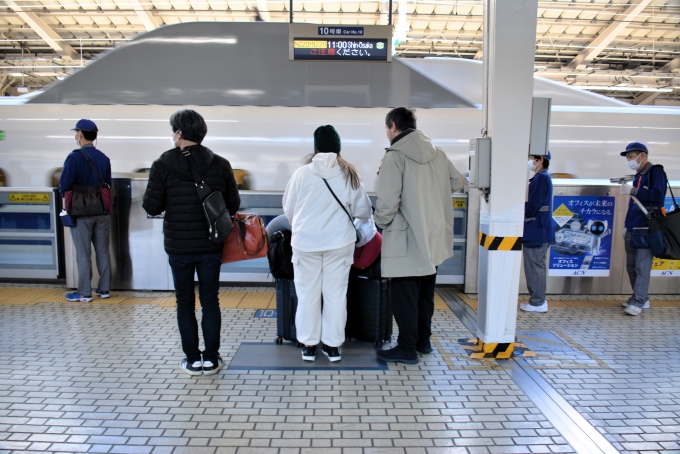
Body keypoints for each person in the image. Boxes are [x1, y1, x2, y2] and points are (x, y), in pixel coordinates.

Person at [143, 109, 240, 375]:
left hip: (179, 247)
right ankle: (211, 359)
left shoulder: (162, 164)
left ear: (178, 133)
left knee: (184, 302)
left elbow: (151, 205)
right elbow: (233, 204)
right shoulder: (220, 163)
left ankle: (192, 359)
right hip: (211, 244)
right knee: (210, 300)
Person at [374, 107, 464, 364]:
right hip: (433, 237)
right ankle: (423, 342)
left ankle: (405, 349)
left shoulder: (395, 156)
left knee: (404, 297)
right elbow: (457, 182)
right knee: (425, 294)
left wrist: (380, 223)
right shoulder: (437, 153)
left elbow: (388, 201)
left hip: (406, 239)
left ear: (393, 126)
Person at [283, 125, 372, 362]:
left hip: (305, 245)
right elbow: (363, 211)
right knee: (335, 294)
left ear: (316, 148)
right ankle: (332, 347)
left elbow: (289, 210)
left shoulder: (301, 174)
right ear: (338, 148)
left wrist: (305, 226)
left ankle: (309, 346)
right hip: (339, 244)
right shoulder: (350, 175)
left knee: (307, 294)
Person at [60, 119, 112, 303]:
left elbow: (64, 185)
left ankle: (84, 293)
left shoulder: (74, 157)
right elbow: (108, 183)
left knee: (83, 253)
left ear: (80, 134)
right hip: (102, 211)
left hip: (81, 212)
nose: (76, 136)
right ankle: (104, 289)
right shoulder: (104, 158)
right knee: (103, 251)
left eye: (76, 132)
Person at [619, 142, 667, 316]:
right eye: (628, 158)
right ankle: (641, 297)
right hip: (633, 226)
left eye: (631, 157)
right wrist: (626, 225)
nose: (629, 161)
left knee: (642, 266)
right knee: (631, 266)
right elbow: (633, 205)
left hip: (647, 228)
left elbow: (657, 196)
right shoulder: (638, 175)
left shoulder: (656, 172)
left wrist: (635, 190)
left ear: (643, 156)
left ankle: (639, 302)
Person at [520, 151, 555, 313]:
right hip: (538, 229)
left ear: (540, 160)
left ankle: (538, 302)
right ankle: (537, 301)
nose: (529, 162)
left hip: (537, 229)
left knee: (534, 267)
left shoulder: (541, 178)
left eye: (531, 158)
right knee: (535, 266)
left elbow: (534, 204)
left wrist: (524, 213)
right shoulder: (541, 177)